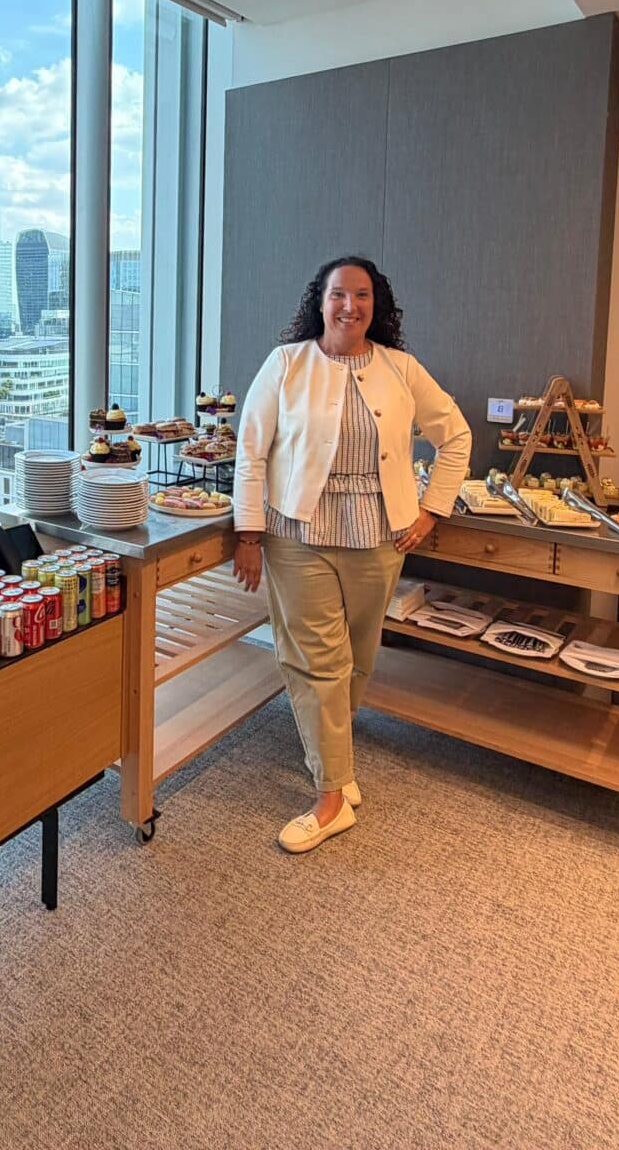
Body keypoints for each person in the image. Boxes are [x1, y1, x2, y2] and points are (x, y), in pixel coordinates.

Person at [231, 256, 471, 852]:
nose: (349, 306)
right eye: (339, 294)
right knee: (315, 661)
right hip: (298, 536)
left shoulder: (402, 368)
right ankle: (332, 793)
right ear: (320, 300)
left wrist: (432, 509)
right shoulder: (286, 364)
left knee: (358, 659)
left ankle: (334, 761)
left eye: (361, 295)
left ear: (376, 305)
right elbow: (250, 450)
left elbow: (456, 436)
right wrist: (249, 533)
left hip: (379, 536)